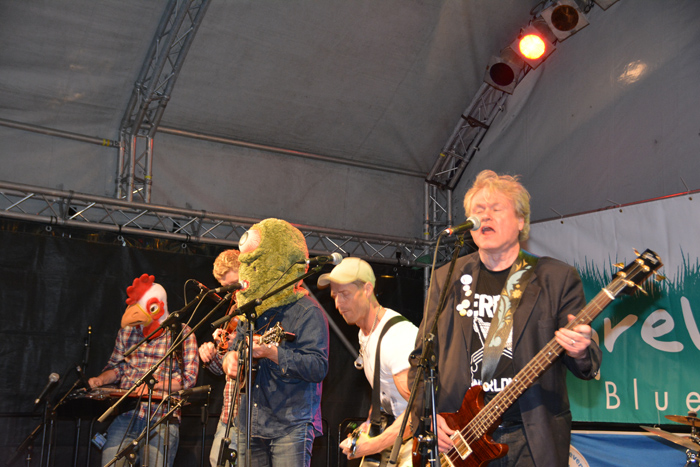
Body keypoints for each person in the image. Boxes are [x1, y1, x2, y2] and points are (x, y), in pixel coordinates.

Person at [408, 170, 602, 467]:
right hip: (461, 438)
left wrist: (579, 351)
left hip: (529, 437)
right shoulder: (447, 277)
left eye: (496, 209)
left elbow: (586, 364)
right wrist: (429, 418)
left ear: (521, 221)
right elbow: (422, 359)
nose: (485, 216)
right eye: (478, 210)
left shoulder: (555, 277)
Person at [222, 218, 329, 467]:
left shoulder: (308, 311)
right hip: (250, 421)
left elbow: (318, 367)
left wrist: (273, 353)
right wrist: (230, 360)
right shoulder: (251, 311)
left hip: (291, 423)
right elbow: (233, 350)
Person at [88, 274, 200, 467]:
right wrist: (101, 379)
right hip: (127, 414)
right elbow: (117, 368)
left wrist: (154, 386)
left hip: (162, 417)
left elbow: (188, 379)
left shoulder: (182, 334)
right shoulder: (127, 333)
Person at [318, 257, 418, 466]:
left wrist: (373, 445)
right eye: (335, 296)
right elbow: (383, 391)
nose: (338, 304)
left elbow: (418, 410)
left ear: (367, 289)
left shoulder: (396, 337)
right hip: (398, 431)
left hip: (417, 437)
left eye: (345, 294)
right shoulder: (366, 332)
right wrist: (369, 425)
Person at [198, 249, 243, 467]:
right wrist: (210, 355)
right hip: (229, 413)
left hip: (252, 416)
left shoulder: (263, 310)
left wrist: (240, 345)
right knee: (216, 461)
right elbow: (222, 370)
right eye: (228, 287)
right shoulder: (233, 311)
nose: (233, 292)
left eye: (235, 284)